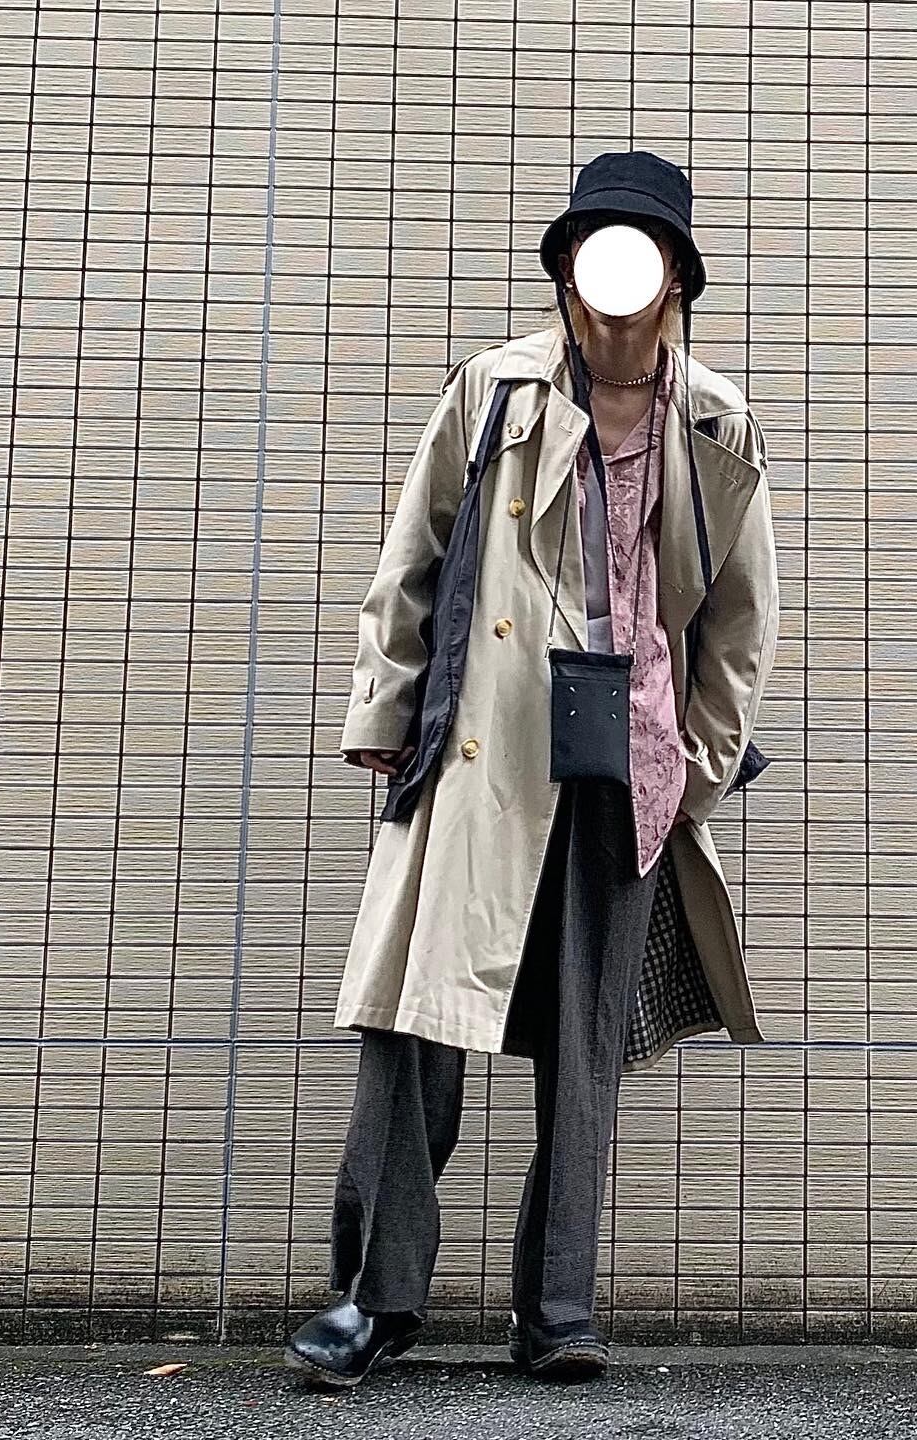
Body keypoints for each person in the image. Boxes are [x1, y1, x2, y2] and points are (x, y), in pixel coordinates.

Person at [285, 150, 779, 1388]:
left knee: (583, 1048)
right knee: (413, 1025)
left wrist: (696, 767)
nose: (611, 285)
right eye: (590, 255)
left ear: (675, 281)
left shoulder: (716, 421)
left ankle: (556, 1312)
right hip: (480, 752)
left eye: (639, 258)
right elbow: (411, 561)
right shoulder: (493, 390)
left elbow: (739, 623)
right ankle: (374, 1300)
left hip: (628, 761)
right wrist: (386, 718)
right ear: (565, 272)